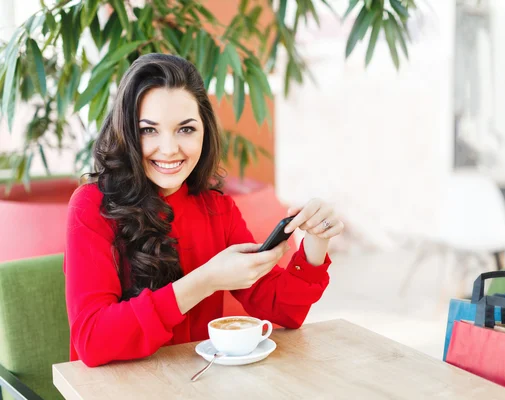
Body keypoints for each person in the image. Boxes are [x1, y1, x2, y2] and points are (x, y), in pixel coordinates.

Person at [64, 53, 344, 367]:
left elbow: (284, 312)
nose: (169, 149)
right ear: (127, 133)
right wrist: (205, 280)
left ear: (204, 131)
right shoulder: (92, 206)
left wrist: (317, 241)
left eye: (185, 129)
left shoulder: (217, 208)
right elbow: (92, 340)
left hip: (193, 386)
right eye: (148, 130)